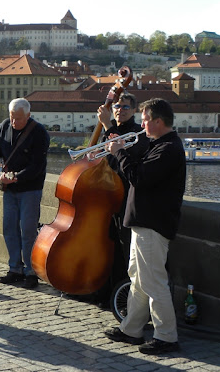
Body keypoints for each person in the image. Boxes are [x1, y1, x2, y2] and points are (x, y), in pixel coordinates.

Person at [104, 98, 186, 355]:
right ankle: (132, 329)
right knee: (138, 279)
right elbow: (132, 169)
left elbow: (139, 177)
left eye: (146, 120)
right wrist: (117, 149)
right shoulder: (156, 145)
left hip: (153, 223)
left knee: (153, 281)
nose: (142, 124)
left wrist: (119, 151)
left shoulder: (168, 149)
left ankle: (166, 336)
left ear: (158, 122)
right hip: (143, 222)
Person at [0, 98, 49, 289]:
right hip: (10, 189)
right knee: (9, 228)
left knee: (28, 231)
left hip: (30, 188)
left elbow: (37, 166)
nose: (14, 123)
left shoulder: (39, 133)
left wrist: (16, 178)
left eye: (18, 119)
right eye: (12, 118)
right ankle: (15, 268)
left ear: (28, 116)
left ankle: (31, 271)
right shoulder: (5, 126)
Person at [94, 92, 149, 304]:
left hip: (126, 199)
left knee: (126, 252)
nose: (119, 110)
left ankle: (124, 297)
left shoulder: (138, 134)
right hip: (106, 198)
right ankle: (105, 291)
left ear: (134, 110)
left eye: (125, 107)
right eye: (116, 106)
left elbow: (122, 164)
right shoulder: (109, 130)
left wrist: (108, 126)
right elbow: (103, 161)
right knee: (109, 249)